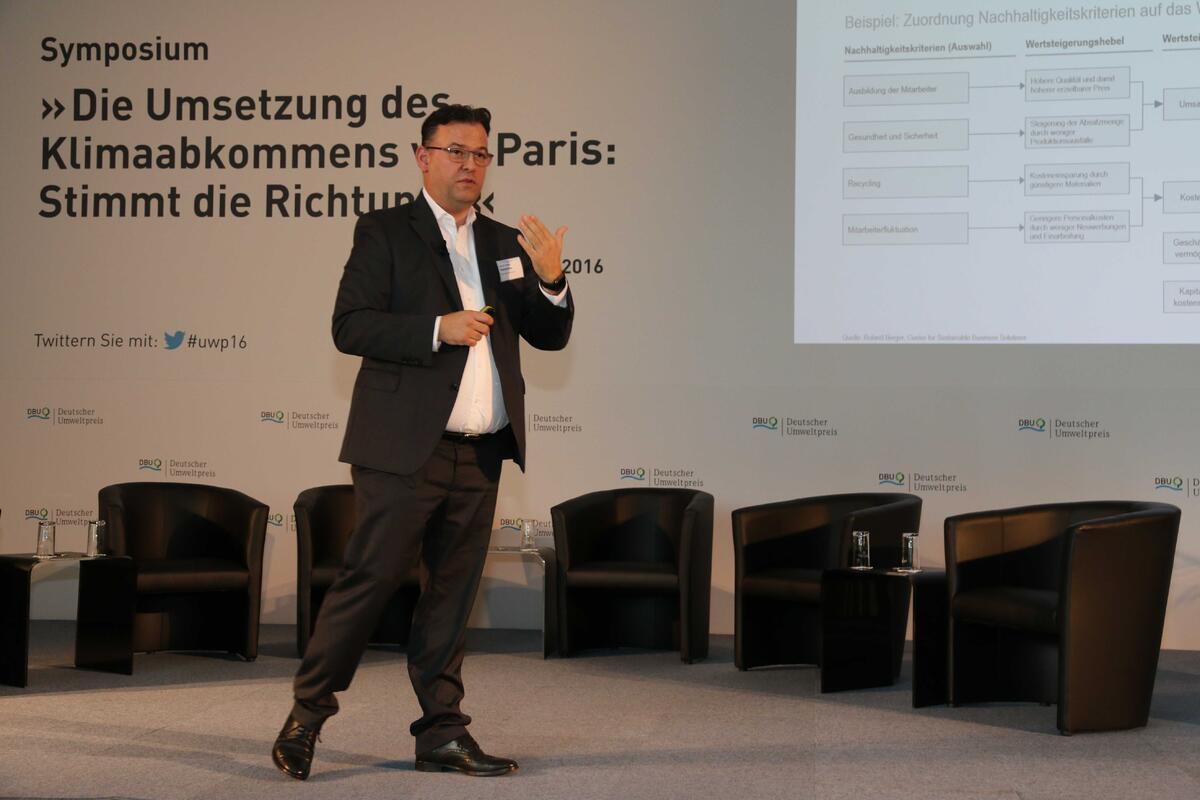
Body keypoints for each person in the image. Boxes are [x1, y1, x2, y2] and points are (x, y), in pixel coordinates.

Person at [271, 104, 573, 780]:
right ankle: (307, 715)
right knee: (371, 579)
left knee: (452, 595)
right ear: (423, 156)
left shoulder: (503, 243)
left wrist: (552, 280)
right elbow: (350, 325)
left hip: (483, 451)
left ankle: (442, 733)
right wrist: (438, 329)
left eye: (481, 154)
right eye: (456, 151)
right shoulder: (385, 231)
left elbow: (549, 336)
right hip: (405, 448)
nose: (470, 165)